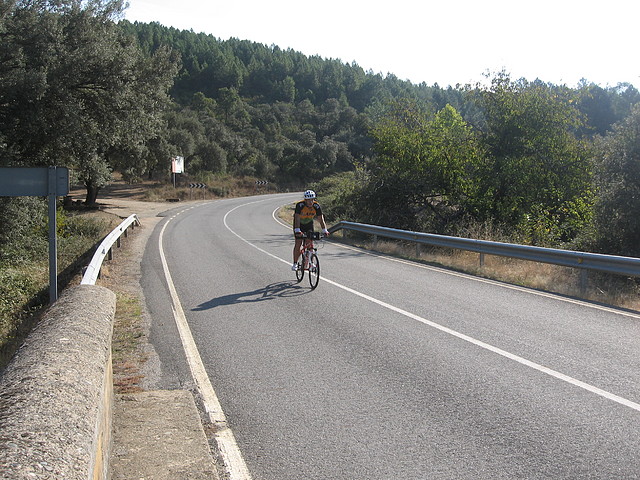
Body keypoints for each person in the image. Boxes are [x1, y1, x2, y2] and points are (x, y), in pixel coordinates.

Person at [292, 189, 329, 270]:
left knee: (310, 243)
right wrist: (297, 230)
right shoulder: (300, 205)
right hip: (299, 224)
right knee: (298, 243)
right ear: (305, 200)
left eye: (312, 199)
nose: (310, 202)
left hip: (309, 225)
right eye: (308, 200)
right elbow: (297, 217)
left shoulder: (316, 206)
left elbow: (320, 218)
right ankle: (295, 263)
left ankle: (311, 263)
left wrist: (324, 230)